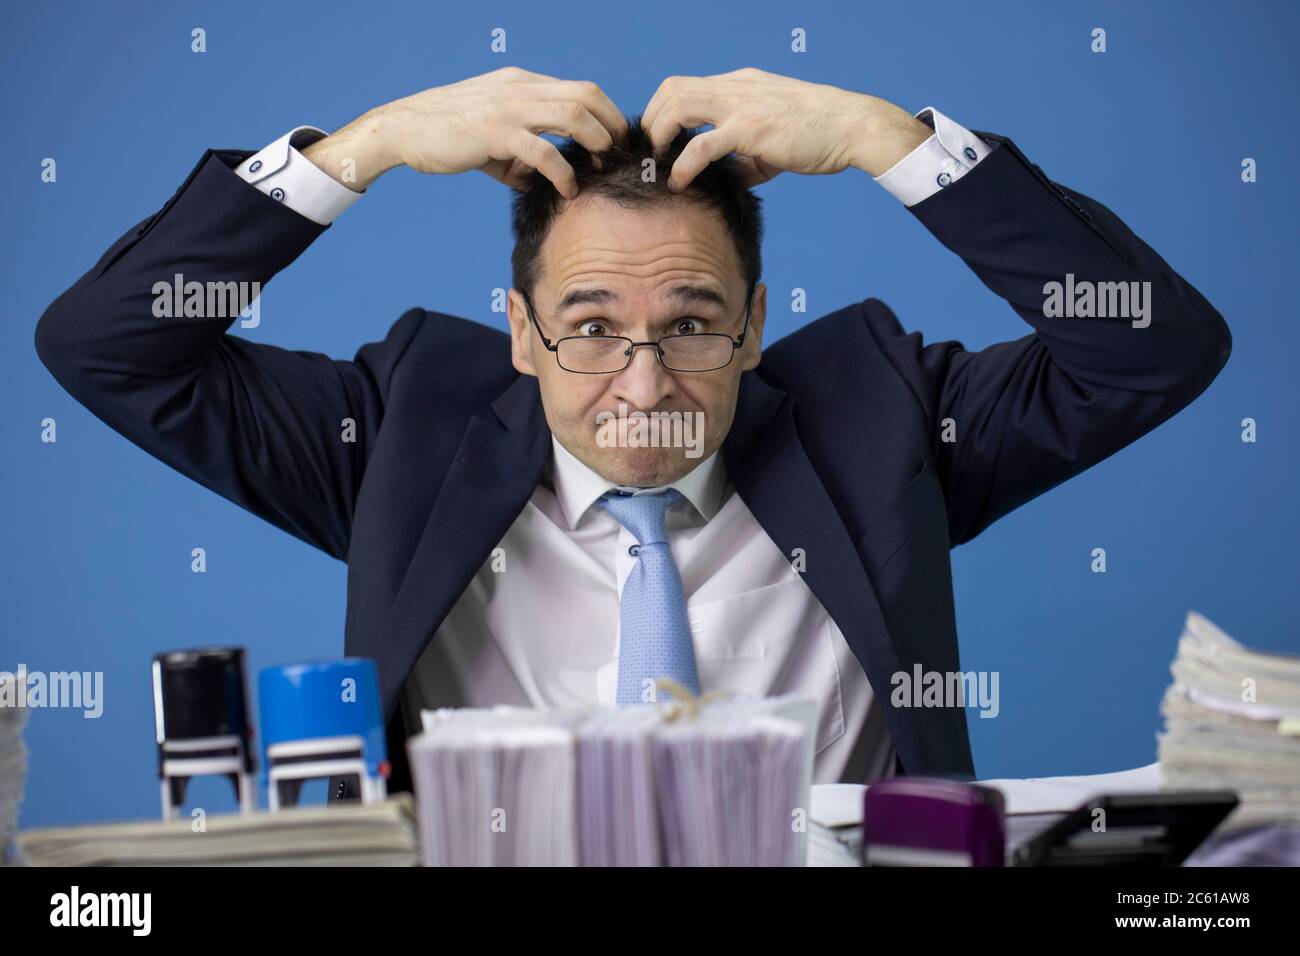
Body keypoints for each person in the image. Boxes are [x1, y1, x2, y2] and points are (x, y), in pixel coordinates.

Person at [34, 67, 1230, 800]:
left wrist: (886, 140)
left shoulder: (881, 421)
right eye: (590, 324)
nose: (642, 379)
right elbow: (105, 343)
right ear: (516, 330)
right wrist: (369, 144)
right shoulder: (400, 430)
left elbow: (1152, 341)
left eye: (694, 322)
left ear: (758, 323)